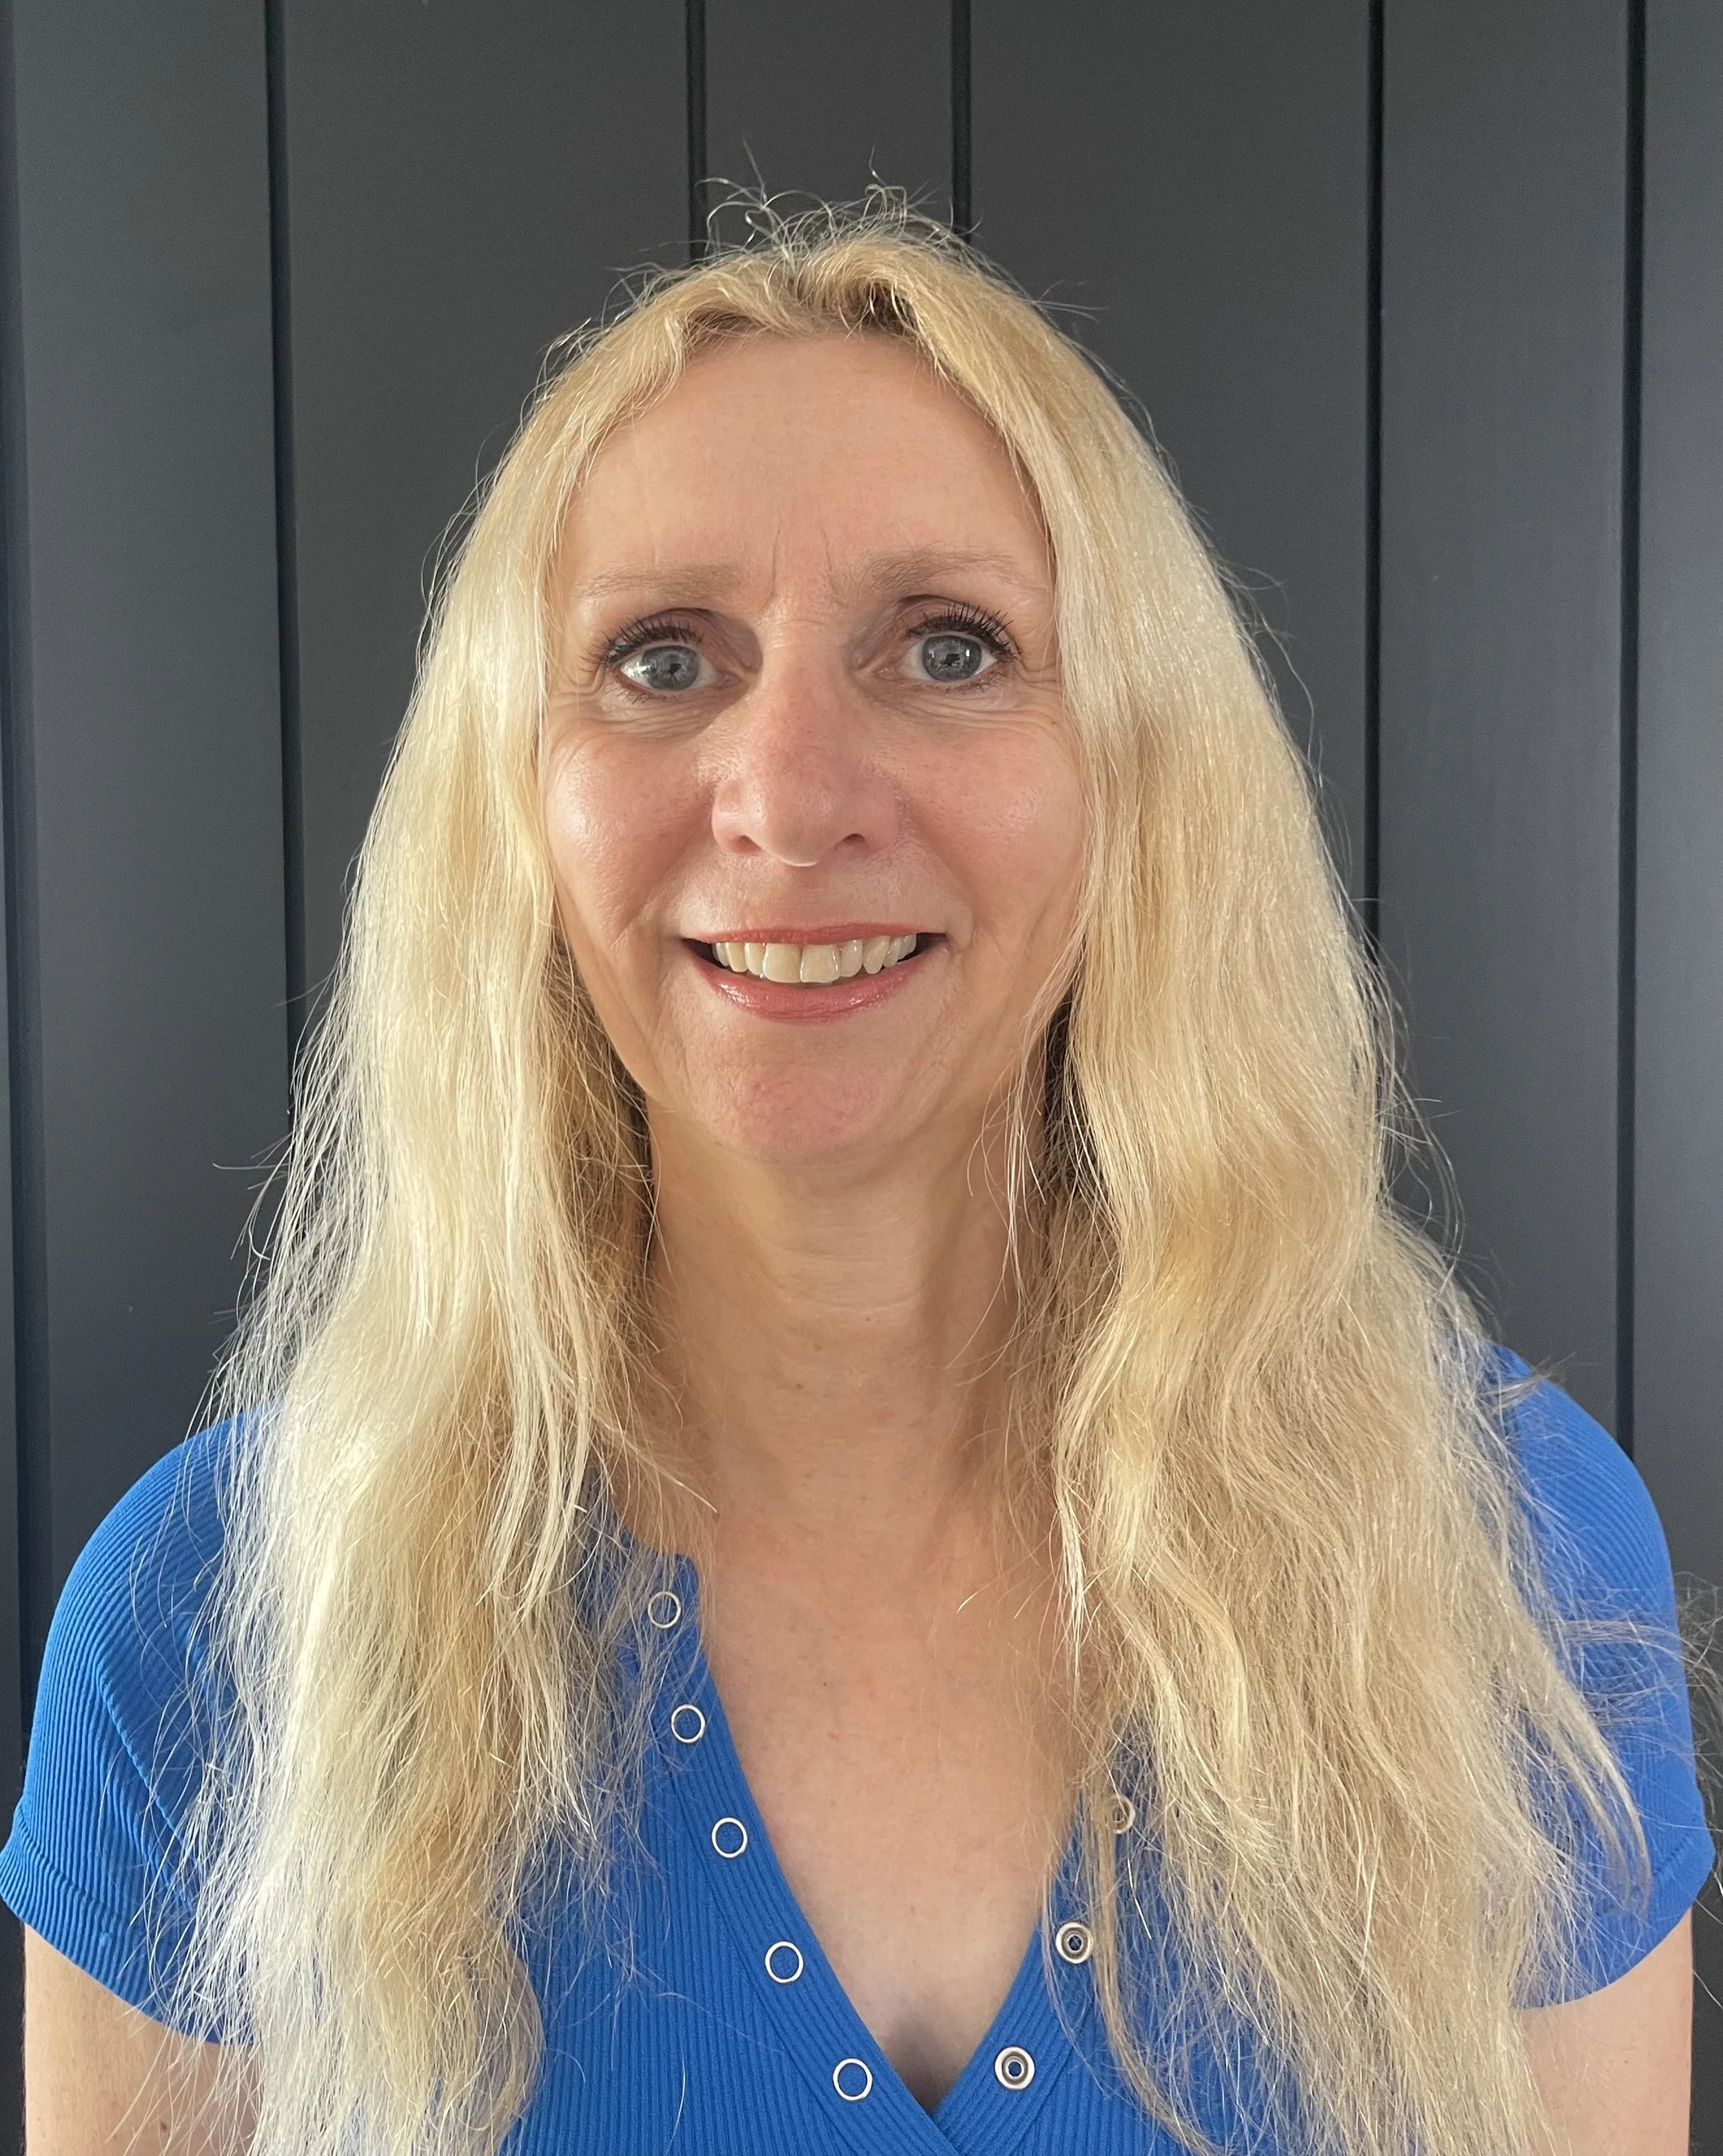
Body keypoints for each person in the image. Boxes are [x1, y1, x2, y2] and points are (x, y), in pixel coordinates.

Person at [4, 203, 1714, 2156]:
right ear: (517, 804)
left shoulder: (1496, 1559)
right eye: (661, 659)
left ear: (1134, 779)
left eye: (949, 645)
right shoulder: (218, 1619)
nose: (791, 792)